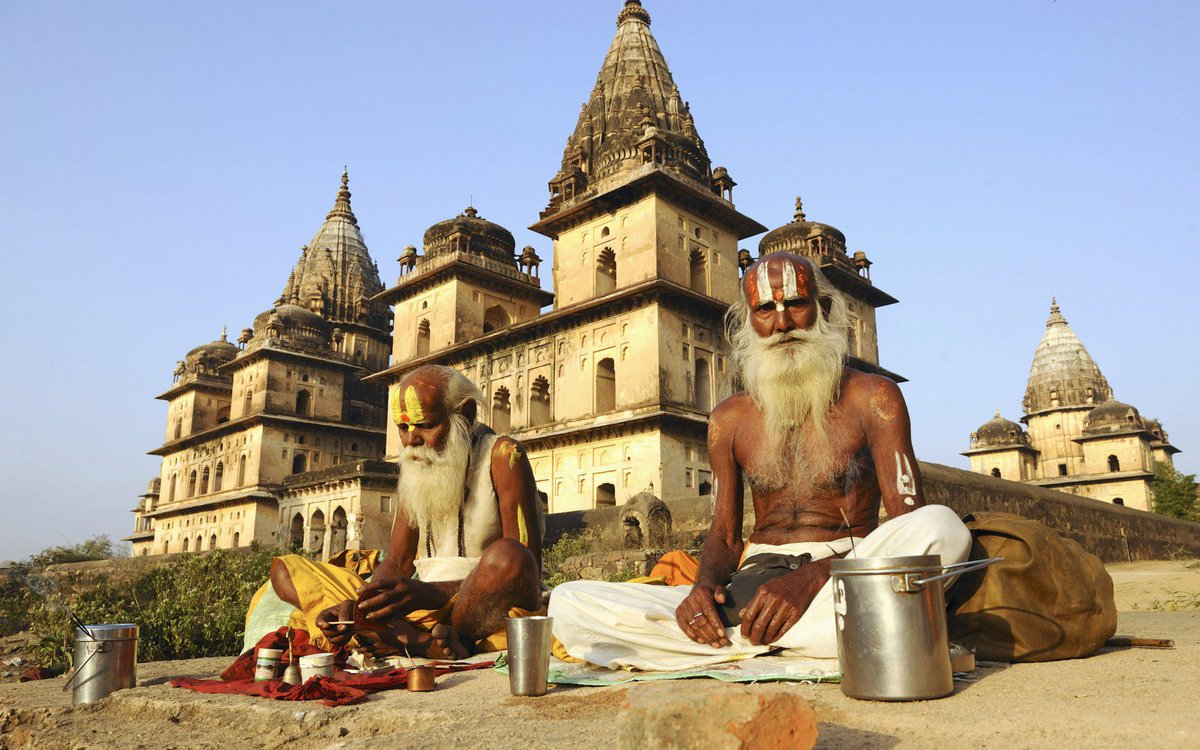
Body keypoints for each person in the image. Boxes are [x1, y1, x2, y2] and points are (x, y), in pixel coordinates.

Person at [549, 252, 971, 671]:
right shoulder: (729, 419)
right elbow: (726, 536)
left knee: (941, 528)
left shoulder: (873, 398)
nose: (782, 323)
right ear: (749, 321)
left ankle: (743, 646)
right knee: (569, 602)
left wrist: (814, 577)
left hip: (842, 580)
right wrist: (703, 591)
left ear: (821, 310)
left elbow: (906, 524)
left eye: (796, 305)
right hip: (751, 590)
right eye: (766, 309)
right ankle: (798, 640)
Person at [257, 365, 544, 659]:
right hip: (418, 604)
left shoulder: (503, 456)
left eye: (426, 425)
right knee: (286, 569)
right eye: (403, 428)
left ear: (465, 415)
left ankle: (438, 638)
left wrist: (431, 593)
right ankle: (413, 638)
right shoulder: (415, 464)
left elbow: (525, 568)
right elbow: (397, 561)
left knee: (509, 557)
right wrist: (363, 604)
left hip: (482, 601)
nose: (411, 440)